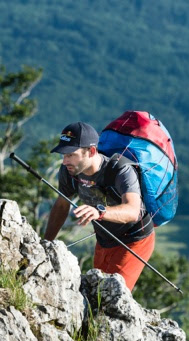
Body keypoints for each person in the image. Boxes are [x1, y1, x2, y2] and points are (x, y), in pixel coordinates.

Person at [43, 121, 155, 292]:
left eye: (71, 155)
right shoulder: (69, 171)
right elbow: (61, 206)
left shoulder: (120, 170)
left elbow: (133, 211)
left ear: (92, 151)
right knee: (94, 293)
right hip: (104, 239)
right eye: (63, 155)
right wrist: (45, 244)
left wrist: (99, 211)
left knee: (110, 297)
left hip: (134, 240)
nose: (65, 161)